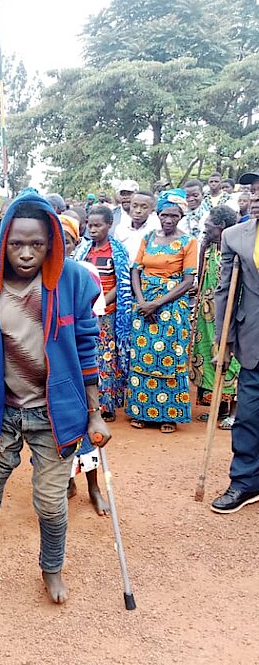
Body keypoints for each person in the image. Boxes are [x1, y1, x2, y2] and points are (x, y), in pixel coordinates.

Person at [0, 189, 111, 605]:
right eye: (16, 244)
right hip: (3, 410)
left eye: (37, 244)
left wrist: (95, 413)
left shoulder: (73, 281)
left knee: (50, 502)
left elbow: (86, 350)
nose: (26, 254)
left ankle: (51, 568)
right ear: (3, 241)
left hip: (55, 413)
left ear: (51, 243)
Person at [126, 189, 198, 433]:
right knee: (141, 357)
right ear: (158, 214)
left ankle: (169, 415)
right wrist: (141, 301)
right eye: (164, 214)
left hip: (171, 307)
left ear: (181, 216)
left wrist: (156, 304)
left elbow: (188, 281)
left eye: (174, 215)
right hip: (143, 305)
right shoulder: (148, 237)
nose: (168, 220)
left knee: (169, 357)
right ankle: (140, 412)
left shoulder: (189, 242)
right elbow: (135, 270)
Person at [211, 199, 259, 514]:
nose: (256, 198)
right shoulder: (235, 236)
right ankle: (245, 481)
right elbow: (226, 290)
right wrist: (223, 342)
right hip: (253, 338)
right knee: (249, 415)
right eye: (253, 192)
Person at [60, 214, 109, 517]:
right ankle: (66, 480)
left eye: (66, 241)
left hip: (78, 363)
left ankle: (93, 487)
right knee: (54, 432)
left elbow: (95, 317)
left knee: (85, 426)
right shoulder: (34, 276)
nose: (59, 246)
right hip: (49, 369)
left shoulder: (84, 273)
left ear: (75, 243)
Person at [73, 204, 132, 423]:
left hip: (107, 313)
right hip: (85, 312)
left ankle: (105, 405)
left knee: (106, 358)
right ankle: (87, 404)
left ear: (109, 225)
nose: (93, 229)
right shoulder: (83, 251)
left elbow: (121, 283)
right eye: (90, 225)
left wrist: (100, 303)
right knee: (87, 356)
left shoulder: (117, 251)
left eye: (98, 225)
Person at [190, 206, 239, 429]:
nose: (205, 229)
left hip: (228, 312)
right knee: (208, 356)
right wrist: (202, 248)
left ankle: (234, 412)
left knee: (231, 359)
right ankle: (218, 407)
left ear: (221, 226)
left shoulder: (235, 248)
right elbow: (201, 276)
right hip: (206, 315)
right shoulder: (208, 248)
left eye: (208, 226)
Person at [114, 190, 161, 265]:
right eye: (134, 206)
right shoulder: (120, 228)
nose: (138, 211)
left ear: (152, 209)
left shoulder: (157, 229)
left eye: (144, 207)